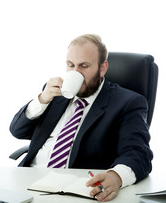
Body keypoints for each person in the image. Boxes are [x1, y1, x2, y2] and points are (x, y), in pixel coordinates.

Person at [10, 34, 153, 201]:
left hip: (73, 192)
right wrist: (42, 99)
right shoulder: (55, 93)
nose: (75, 72)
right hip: (28, 183)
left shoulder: (128, 102)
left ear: (103, 68)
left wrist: (116, 177)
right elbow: (17, 131)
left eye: (84, 66)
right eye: (70, 65)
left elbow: (138, 153)